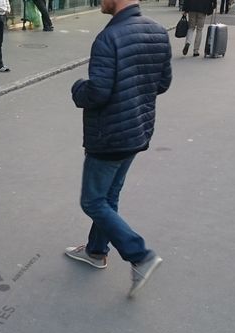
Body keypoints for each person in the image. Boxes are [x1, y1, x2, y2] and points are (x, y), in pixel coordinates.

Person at [67, 0, 172, 297]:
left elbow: (97, 92)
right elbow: (163, 83)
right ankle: (97, 251)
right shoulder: (157, 31)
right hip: (137, 130)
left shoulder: (108, 37)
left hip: (110, 136)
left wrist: (77, 88)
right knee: (109, 195)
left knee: (92, 201)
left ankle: (140, 255)